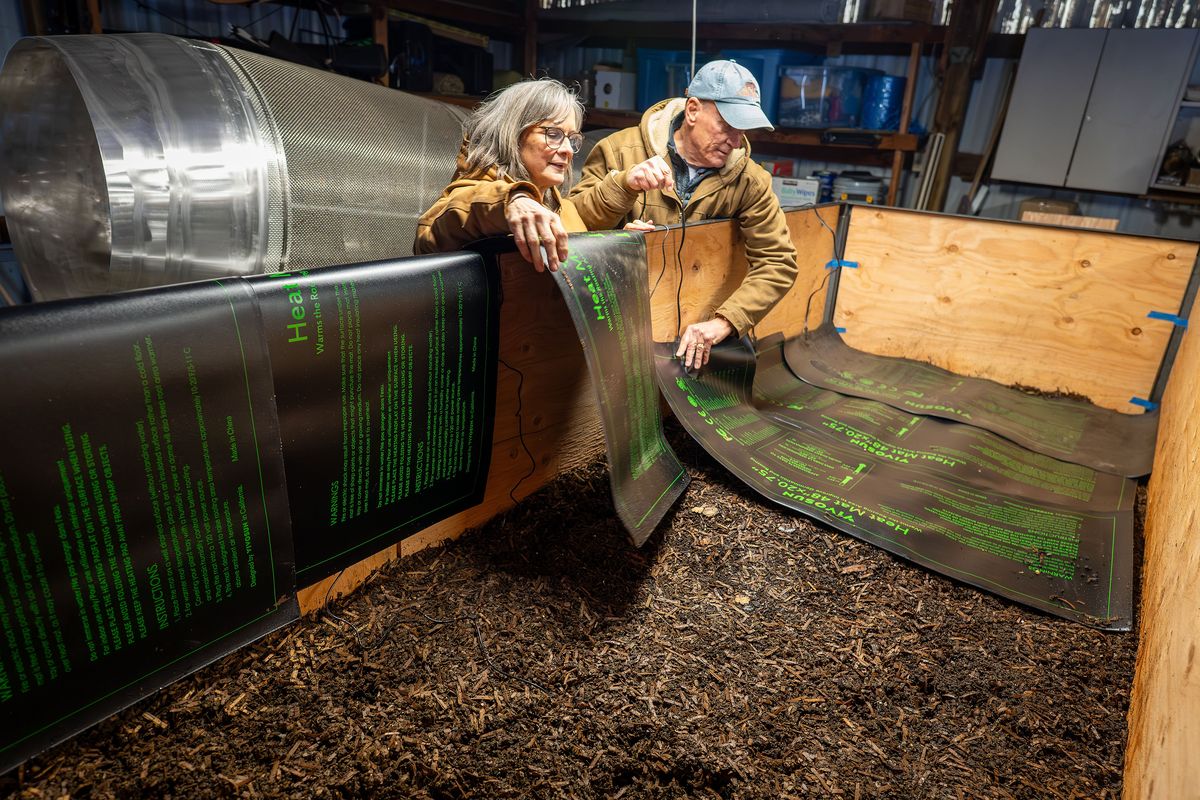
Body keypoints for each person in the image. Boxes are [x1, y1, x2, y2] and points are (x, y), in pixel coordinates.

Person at [571, 60, 799, 370]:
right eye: (728, 126)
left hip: (694, 337)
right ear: (692, 110)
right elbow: (575, 223)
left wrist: (726, 321)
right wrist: (624, 192)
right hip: (617, 328)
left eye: (742, 130)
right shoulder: (618, 151)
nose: (735, 141)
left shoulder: (750, 181)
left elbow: (778, 262)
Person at [414, 78, 588, 272]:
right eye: (554, 134)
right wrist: (512, 200)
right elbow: (427, 241)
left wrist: (620, 248)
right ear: (512, 135)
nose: (568, 150)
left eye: (572, 139)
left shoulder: (564, 207)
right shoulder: (474, 192)